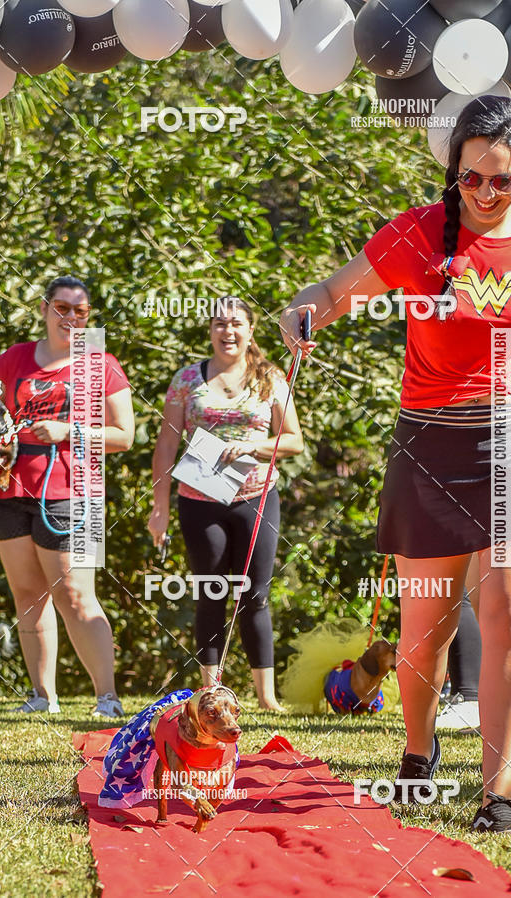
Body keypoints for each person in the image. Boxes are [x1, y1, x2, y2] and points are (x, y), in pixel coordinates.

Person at [280, 97, 511, 833]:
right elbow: (333, 292)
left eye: (501, 182)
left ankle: (497, 797)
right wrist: (303, 311)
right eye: (470, 178)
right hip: (432, 446)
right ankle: (418, 754)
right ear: (455, 170)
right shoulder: (414, 234)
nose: (483, 194)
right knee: (424, 632)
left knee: (510, 612)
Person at [149, 296, 304, 712]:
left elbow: (294, 440)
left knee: (255, 594)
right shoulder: (186, 379)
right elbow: (165, 446)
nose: (227, 332)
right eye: (219, 324)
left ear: (251, 330)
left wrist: (254, 445)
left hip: (256, 497)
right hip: (199, 500)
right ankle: (212, 690)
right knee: (210, 591)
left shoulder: (269, 378)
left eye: (236, 323)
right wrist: (158, 507)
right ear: (210, 331)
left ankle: (266, 697)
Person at [0, 276, 134, 717]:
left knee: (75, 595)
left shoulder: (100, 361)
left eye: (80, 311)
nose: (71, 318)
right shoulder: (14, 358)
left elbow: (124, 436)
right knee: (27, 594)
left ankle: (107, 699)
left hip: (76, 492)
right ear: (44, 309)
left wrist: (68, 431)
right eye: (62, 308)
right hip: (12, 485)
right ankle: (43, 696)